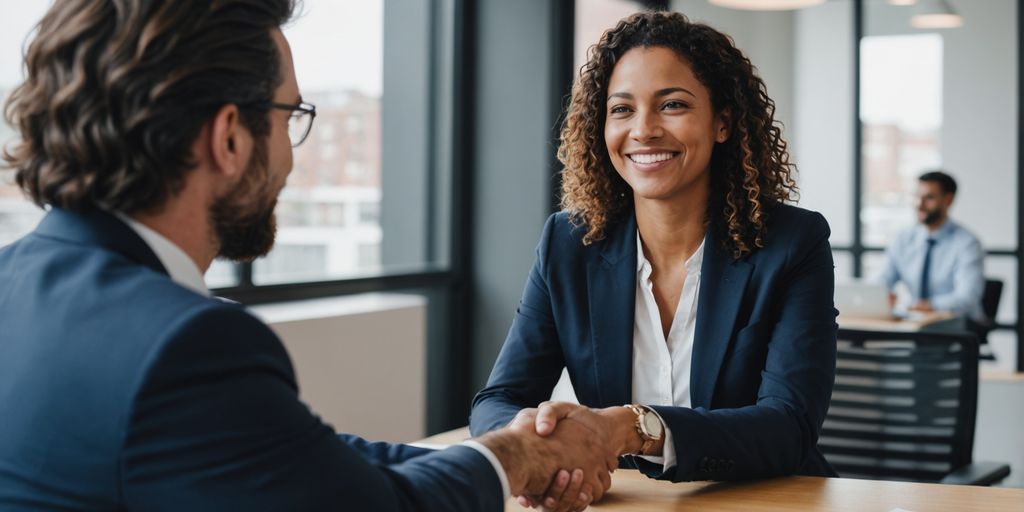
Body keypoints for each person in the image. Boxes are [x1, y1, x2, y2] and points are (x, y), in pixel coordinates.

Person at [0, 1, 614, 510]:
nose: (291, 156)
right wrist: (517, 455)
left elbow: (304, 461)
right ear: (230, 137)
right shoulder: (183, 342)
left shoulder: (13, 281)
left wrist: (510, 454)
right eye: (289, 115)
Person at [470, 11, 838, 497]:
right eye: (622, 109)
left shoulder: (792, 243)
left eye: (672, 105)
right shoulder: (569, 243)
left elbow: (788, 425)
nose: (643, 130)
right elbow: (498, 400)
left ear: (723, 122)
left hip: (767, 501)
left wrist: (631, 427)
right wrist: (539, 441)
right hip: (622, 500)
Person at [880, 171, 985, 322]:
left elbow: (967, 297)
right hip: (916, 322)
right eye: (917, 197)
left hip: (958, 324)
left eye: (929, 198)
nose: (919, 204)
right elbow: (884, 279)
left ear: (948, 200)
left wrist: (930, 305)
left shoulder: (967, 243)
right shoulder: (903, 239)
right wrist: (880, 295)